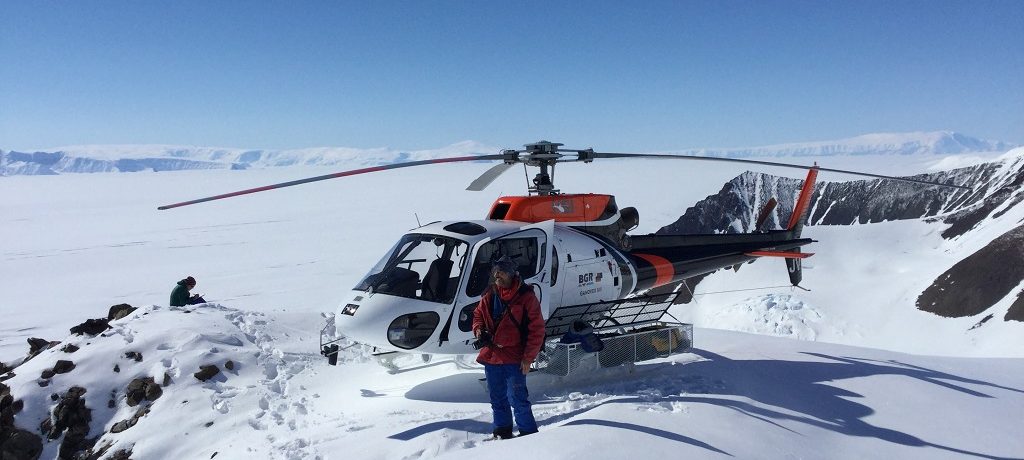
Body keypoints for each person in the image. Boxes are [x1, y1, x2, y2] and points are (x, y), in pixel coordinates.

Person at [472, 256, 546, 440]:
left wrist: (528, 357)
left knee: (518, 399)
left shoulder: (526, 296)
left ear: (512, 274)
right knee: (497, 399)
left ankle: (529, 436)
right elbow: (478, 315)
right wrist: (479, 330)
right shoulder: (490, 294)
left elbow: (537, 329)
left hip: (515, 358)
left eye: (502, 271)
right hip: (492, 356)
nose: (497, 275)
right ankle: (502, 432)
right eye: (495, 271)